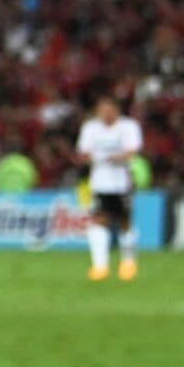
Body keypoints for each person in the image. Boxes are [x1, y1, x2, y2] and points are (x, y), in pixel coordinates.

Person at [74, 95, 144, 281]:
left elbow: (132, 152)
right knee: (98, 221)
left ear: (116, 109)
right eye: (101, 109)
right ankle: (100, 266)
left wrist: (111, 157)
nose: (104, 113)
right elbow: (83, 154)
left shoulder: (128, 127)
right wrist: (107, 157)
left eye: (108, 109)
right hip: (99, 183)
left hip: (123, 183)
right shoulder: (90, 128)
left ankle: (128, 263)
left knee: (124, 222)